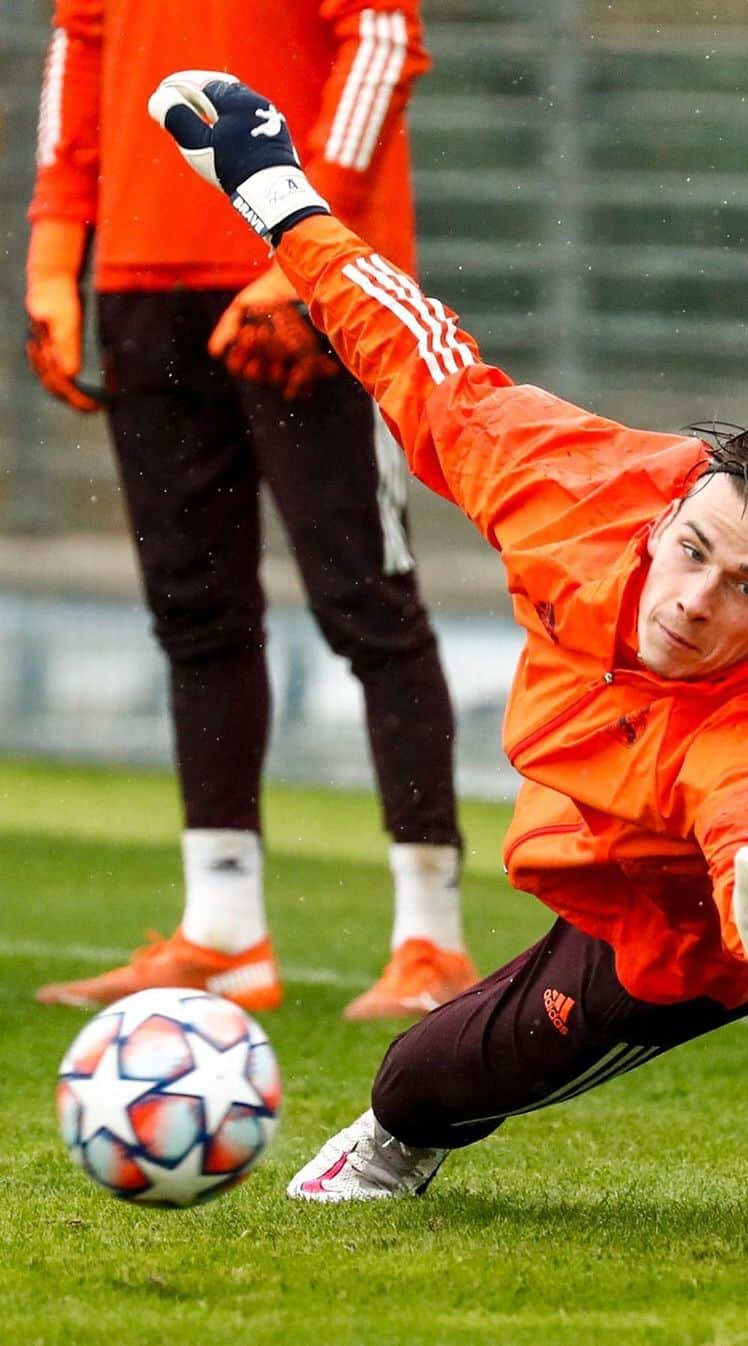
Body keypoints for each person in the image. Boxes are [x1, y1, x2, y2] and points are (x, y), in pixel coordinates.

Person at [149, 72, 748, 1201]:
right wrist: (276, 194)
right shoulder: (575, 493)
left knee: (413, 1085)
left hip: (682, 916)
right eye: (695, 550)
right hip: (582, 815)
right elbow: (419, 359)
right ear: (665, 517)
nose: (697, 598)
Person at [24, 3, 479, 1020]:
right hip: (143, 276)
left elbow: (382, 42)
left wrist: (302, 250)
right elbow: (80, 45)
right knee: (194, 612)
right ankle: (223, 932)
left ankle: (432, 939)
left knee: (367, 604)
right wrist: (57, 254)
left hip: (318, 283)